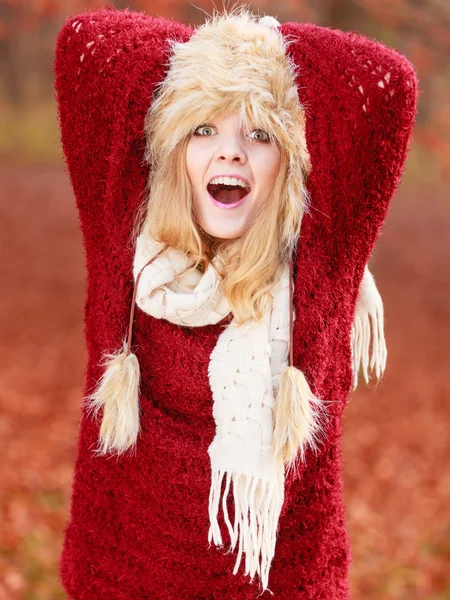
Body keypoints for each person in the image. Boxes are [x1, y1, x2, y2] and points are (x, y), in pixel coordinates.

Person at [54, 6, 418, 599]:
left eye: (259, 134)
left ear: (291, 161)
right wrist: (211, 57)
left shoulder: (322, 261)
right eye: (203, 130)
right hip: (120, 576)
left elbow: (390, 81)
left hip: (282, 586)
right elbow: (84, 40)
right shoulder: (126, 244)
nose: (230, 153)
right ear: (172, 152)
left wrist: (265, 48)